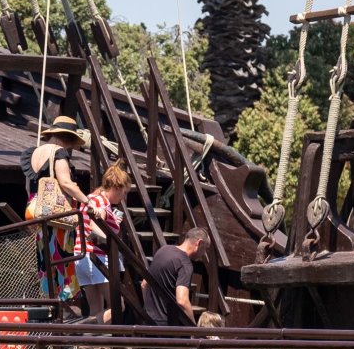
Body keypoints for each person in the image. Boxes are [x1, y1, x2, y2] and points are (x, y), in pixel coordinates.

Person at [20, 115, 89, 300]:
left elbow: (29, 185)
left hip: (35, 208)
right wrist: (87, 201)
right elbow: (66, 182)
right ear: (67, 137)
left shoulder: (33, 153)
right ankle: (63, 298)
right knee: (62, 254)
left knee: (45, 256)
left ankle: (48, 296)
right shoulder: (59, 152)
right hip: (54, 213)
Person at [73, 160, 130, 324]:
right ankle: (83, 330)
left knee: (96, 307)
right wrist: (111, 239)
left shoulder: (91, 198)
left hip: (81, 256)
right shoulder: (102, 202)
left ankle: (94, 341)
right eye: (124, 193)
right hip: (96, 257)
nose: (124, 198)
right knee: (118, 305)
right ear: (117, 188)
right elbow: (94, 226)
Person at [141, 227, 211, 326]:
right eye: (205, 248)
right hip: (167, 328)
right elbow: (182, 301)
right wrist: (193, 327)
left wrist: (149, 309)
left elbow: (144, 284)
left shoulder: (163, 250)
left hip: (147, 321)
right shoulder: (185, 264)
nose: (204, 254)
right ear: (199, 243)